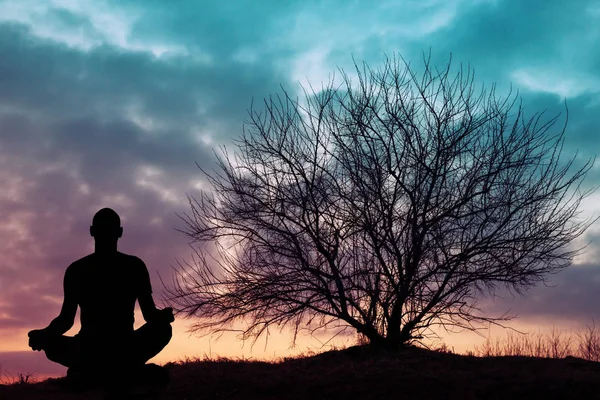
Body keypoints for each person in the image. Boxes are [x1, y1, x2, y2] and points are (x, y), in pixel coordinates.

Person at [27, 208, 174, 388]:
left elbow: (65, 321)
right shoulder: (133, 266)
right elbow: (150, 316)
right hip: (118, 348)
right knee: (162, 329)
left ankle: (91, 374)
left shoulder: (78, 270)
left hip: (98, 348)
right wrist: (44, 335)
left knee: (162, 329)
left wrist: (45, 335)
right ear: (120, 232)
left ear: (91, 231)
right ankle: (124, 372)